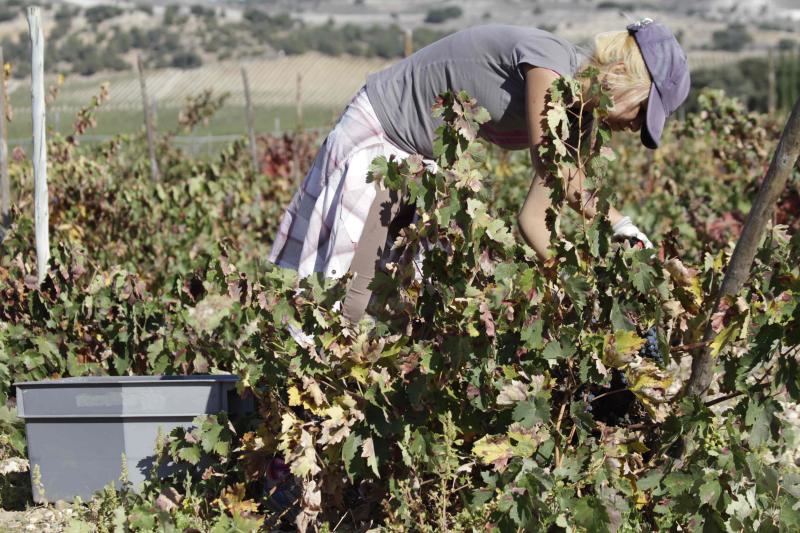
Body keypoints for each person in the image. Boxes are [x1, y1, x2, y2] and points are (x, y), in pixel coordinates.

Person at [268, 18, 690, 324]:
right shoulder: (550, 66)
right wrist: (616, 238)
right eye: (643, 111)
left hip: (428, 165)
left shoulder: (581, 120)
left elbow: (536, 217)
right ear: (624, 78)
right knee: (351, 298)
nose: (636, 127)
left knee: (403, 307)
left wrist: (594, 275)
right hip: (383, 136)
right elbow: (554, 169)